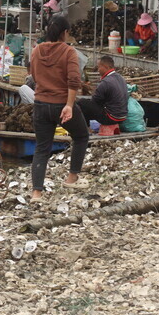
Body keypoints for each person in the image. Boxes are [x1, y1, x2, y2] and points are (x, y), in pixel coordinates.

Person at [28, 15, 90, 202]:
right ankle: (72, 178)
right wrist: (69, 105)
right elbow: (74, 80)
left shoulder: (36, 50)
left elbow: (34, 76)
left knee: (41, 148)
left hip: (40, 104)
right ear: (65, 32)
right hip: (61, 104)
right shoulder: (69, 52)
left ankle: (36, 193)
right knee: (81, 136)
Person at [77, 55, 128, 129]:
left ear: (105, 67)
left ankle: (85, 128)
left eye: (99, 67)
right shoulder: (121, 78)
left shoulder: (106, 82)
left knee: (82, 103)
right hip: (123, 117)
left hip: (111, 118)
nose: (98, 70)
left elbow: (95, 101)